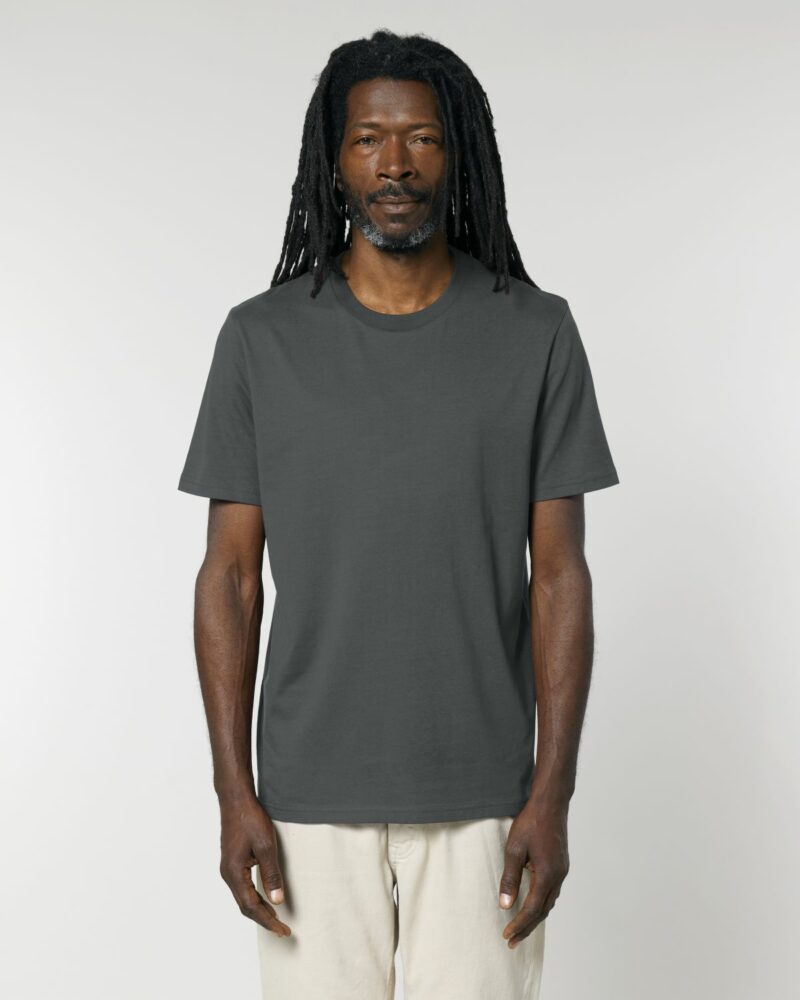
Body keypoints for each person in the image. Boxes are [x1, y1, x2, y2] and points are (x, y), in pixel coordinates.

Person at [177, 28, 620, 1000]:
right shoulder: (260, 339)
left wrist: (551, 794)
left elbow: (560, 575)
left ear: (456, 153)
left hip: (486, 801)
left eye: (421, 137)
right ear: (332, 160)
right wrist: (232, 793)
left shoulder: (535, 332)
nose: (395, 164)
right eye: (368, 139)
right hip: (305, 800)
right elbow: (230, 578)